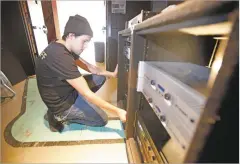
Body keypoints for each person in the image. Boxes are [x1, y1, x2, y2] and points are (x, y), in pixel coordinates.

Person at [35, 14, 127, 132]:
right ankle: (58, 115)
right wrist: (117, 111)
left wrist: (112, 74)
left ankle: (76, 104)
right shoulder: (61, 57)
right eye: (84, 41)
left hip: (63, 90)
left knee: (99, 78)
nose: (86, 46)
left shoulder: (60, 45)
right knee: (102, 119)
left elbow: (91, 68)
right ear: (71, 36)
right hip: (62, 104)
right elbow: (87, 93)